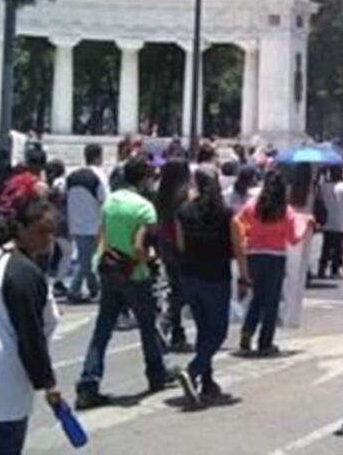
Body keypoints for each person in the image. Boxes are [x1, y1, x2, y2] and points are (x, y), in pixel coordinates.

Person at [0, 191, 63, 455]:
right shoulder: (24, 273)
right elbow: (30, 334)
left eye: (52, 232)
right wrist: (48, 383)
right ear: (22, 229)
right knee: (5, 445)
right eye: (41, 231)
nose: (48, 239)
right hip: (0, 369)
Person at [75, 156, 173, 409]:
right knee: (147, 326)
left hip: (109, 271)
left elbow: (102, 236)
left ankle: (89, 382)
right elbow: (140, 247)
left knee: (102, 330)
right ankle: (156, 374)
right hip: (135, 274)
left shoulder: (110, 202)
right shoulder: (144, 208)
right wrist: (150, 258)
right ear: (143, 179)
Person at [174, 168, 251, 407]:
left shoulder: (183, 212)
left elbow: (181, 246)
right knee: (218, 332)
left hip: (190, 275)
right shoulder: (227, 214)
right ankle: (194, 370)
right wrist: (244, 278)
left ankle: (206, 381)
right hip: (215, 277)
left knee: (203, 329)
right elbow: (239, 249)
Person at [234, 170, 308, 355]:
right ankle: (265, 342)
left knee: (258, 297)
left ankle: (247, 331)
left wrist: (249, 234)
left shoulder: (252, 205)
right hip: (274, 257)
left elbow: (237, 221)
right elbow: (294, 239)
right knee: (271, 301)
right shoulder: (285, 210)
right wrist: (306, 224)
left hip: (253, 254)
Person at [152, 159, 193, 352]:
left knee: (176, 288)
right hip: (178, 244)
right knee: (182, 291)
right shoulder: (182, 196)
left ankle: (176, 330)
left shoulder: (160, 194)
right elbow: (180, 224)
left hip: (165, 244)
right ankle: (167, 325)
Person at [66, 144, 108, 303]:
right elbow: (105, 200)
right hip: (93, 223)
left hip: (75, 222)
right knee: (86, 261)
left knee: (86, 258)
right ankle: (74, 290)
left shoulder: (72, 176)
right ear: (98, 157)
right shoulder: (99, 176)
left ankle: (94, 288)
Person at [282, 164, 317, 328]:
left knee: (288, 274)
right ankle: (293, 315)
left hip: (289, 229)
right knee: (298, 275)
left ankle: (284, 313)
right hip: (305, 230)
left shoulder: (289, 188)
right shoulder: (313, 190)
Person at [317, 165, 343, 279]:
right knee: (338, 247)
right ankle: (334, 270)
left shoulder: (324, 186)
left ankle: (322, 267)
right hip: (341, 222)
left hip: (327, 222)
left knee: (326, 245)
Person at [44, 159, 71, 299]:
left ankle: (51, 282)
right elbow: (59, 194)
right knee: (67, 252)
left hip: (51, 220)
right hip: (61, 221)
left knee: (51, 252)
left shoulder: (47, 182)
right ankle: (58, 282)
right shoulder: (60, 182)